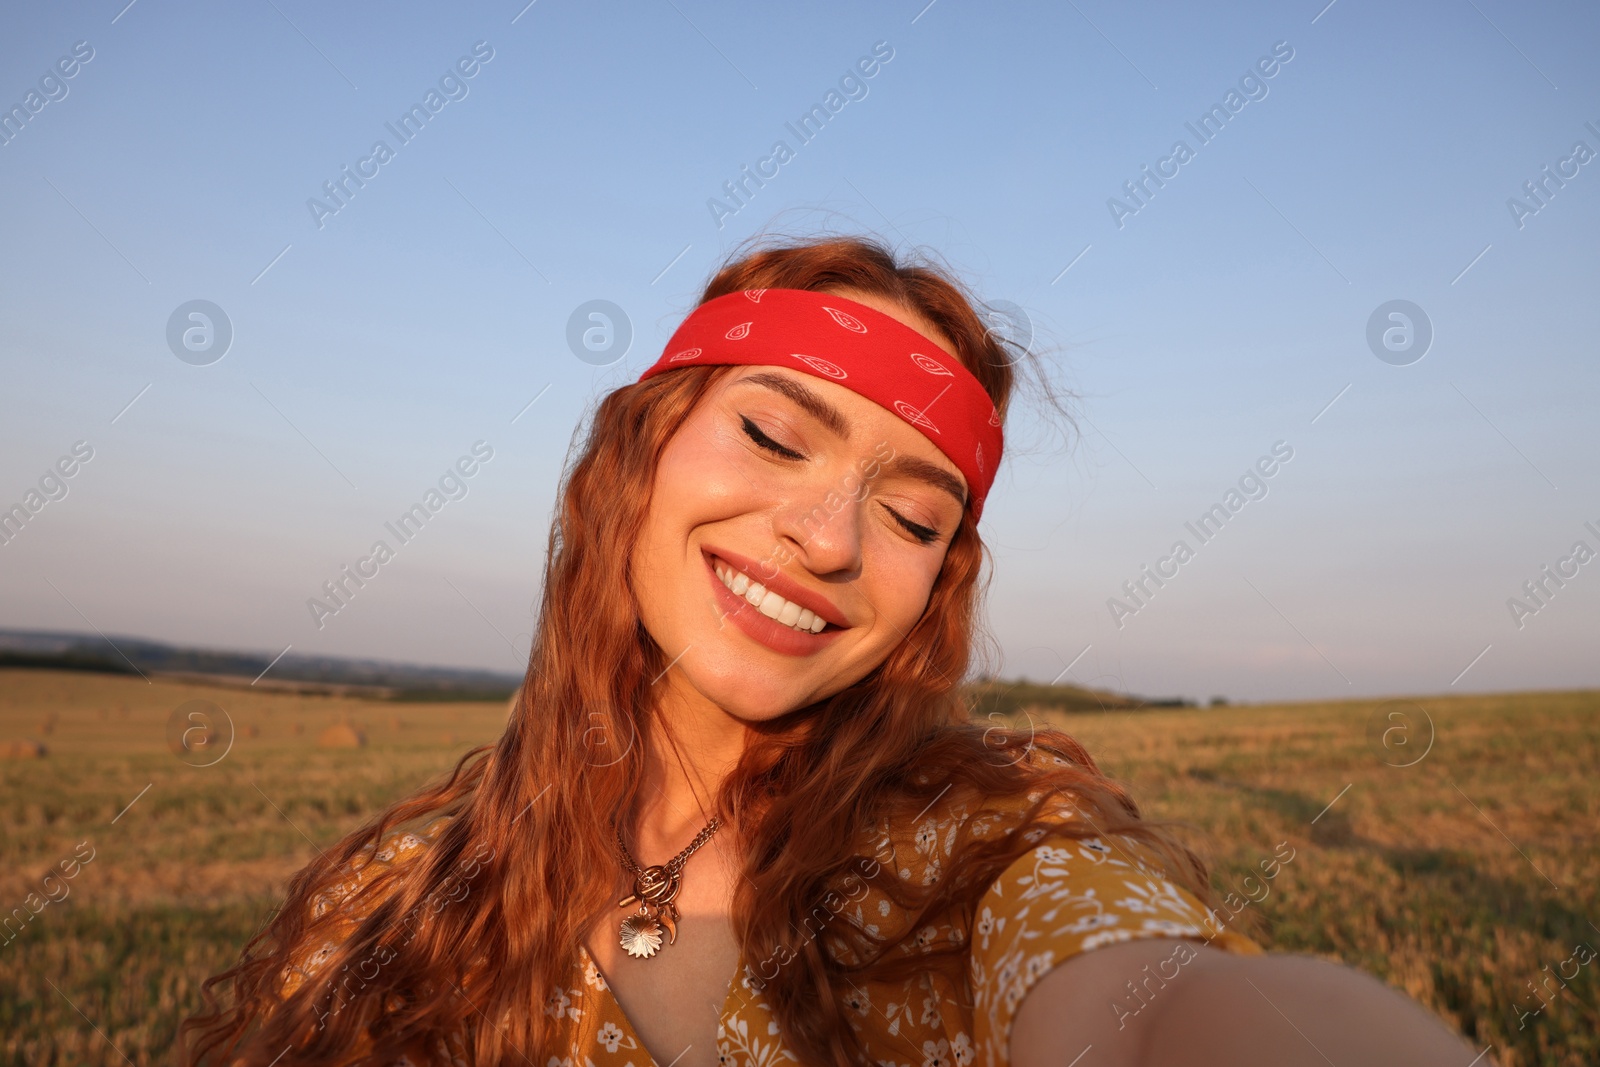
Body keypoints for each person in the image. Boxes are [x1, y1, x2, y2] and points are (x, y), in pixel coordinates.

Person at [179, 235, 1488, 1067]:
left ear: (938, 581)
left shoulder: (991, 850)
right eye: (772, 435)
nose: (824, 534)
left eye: (913, 512)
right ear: (641, 453)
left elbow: (1148, 1011)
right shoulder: (396, 897)